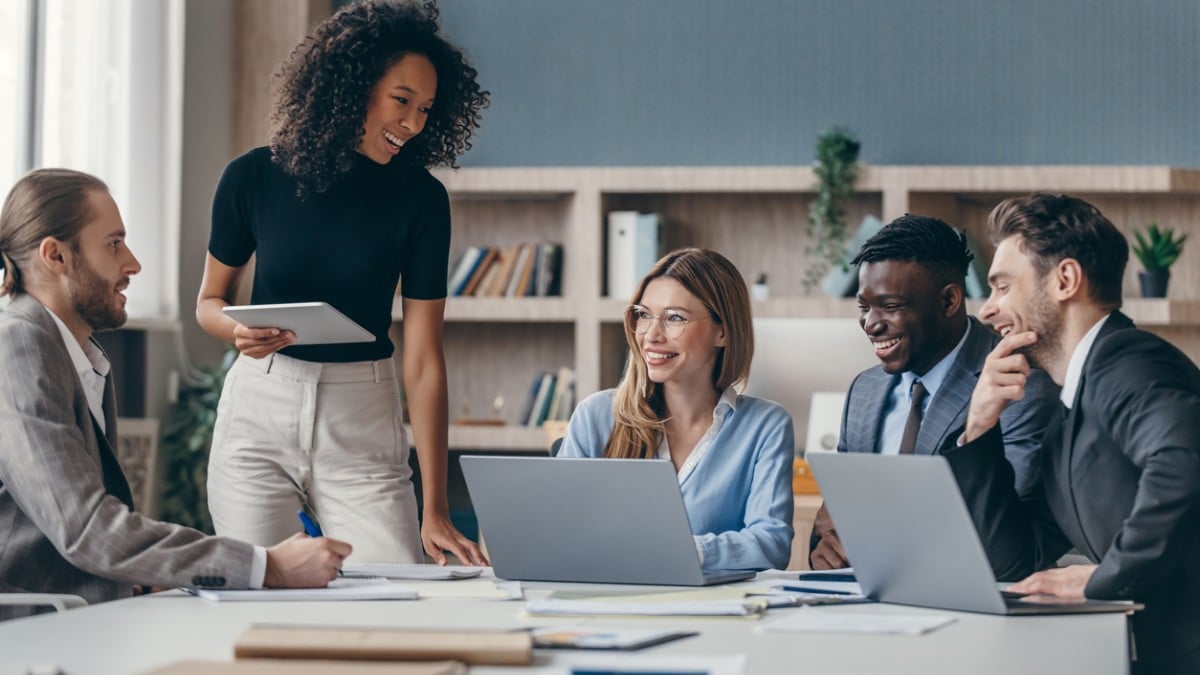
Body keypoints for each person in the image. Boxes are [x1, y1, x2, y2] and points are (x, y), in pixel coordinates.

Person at [196, 0, 489, 565]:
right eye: (401, 101)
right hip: (259, 406)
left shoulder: (422, 200)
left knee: (394, 588)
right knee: (261, 592)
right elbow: (211, 302)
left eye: (426, 109)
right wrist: (235, 333)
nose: (413, 124)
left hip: (362, 415)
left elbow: (424, 358)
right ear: (350, 85)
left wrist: (436, 508)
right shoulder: (251, 177)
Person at [0, 169, 351, 620]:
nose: (133, 263)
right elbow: (86, 528)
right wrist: (268, 566)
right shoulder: (19, 347)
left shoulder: (74, 352)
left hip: (80, 608)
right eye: (113, 244)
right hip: (30, 625)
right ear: (56, 256)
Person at [949, 193, 1200, 674]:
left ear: (1064, 280)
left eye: (1002, 287)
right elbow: (1014, 562)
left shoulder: (1128, 360)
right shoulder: (1069, 409)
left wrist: (1104, 579)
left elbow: (1184, 464)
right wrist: (979, 426)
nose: (987, 310)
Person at [809, 215, 1058, 570]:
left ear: (949, 301)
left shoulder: (1017, 385)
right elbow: (834, 520)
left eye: (890, 306)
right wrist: (825, 550)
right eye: (864, 308)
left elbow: (1008, 541)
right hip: (866, 607)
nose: (871, 324)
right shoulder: (865, 390)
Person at [558, 248, 795, 572]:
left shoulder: (765, 425)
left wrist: (673, 549)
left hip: (717, 614)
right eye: (643, 314)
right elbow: (561, 534)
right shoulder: (596, 416)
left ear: (722, 331)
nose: (651, 335)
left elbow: (770, 545)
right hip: (610, 608)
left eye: (674, 318)